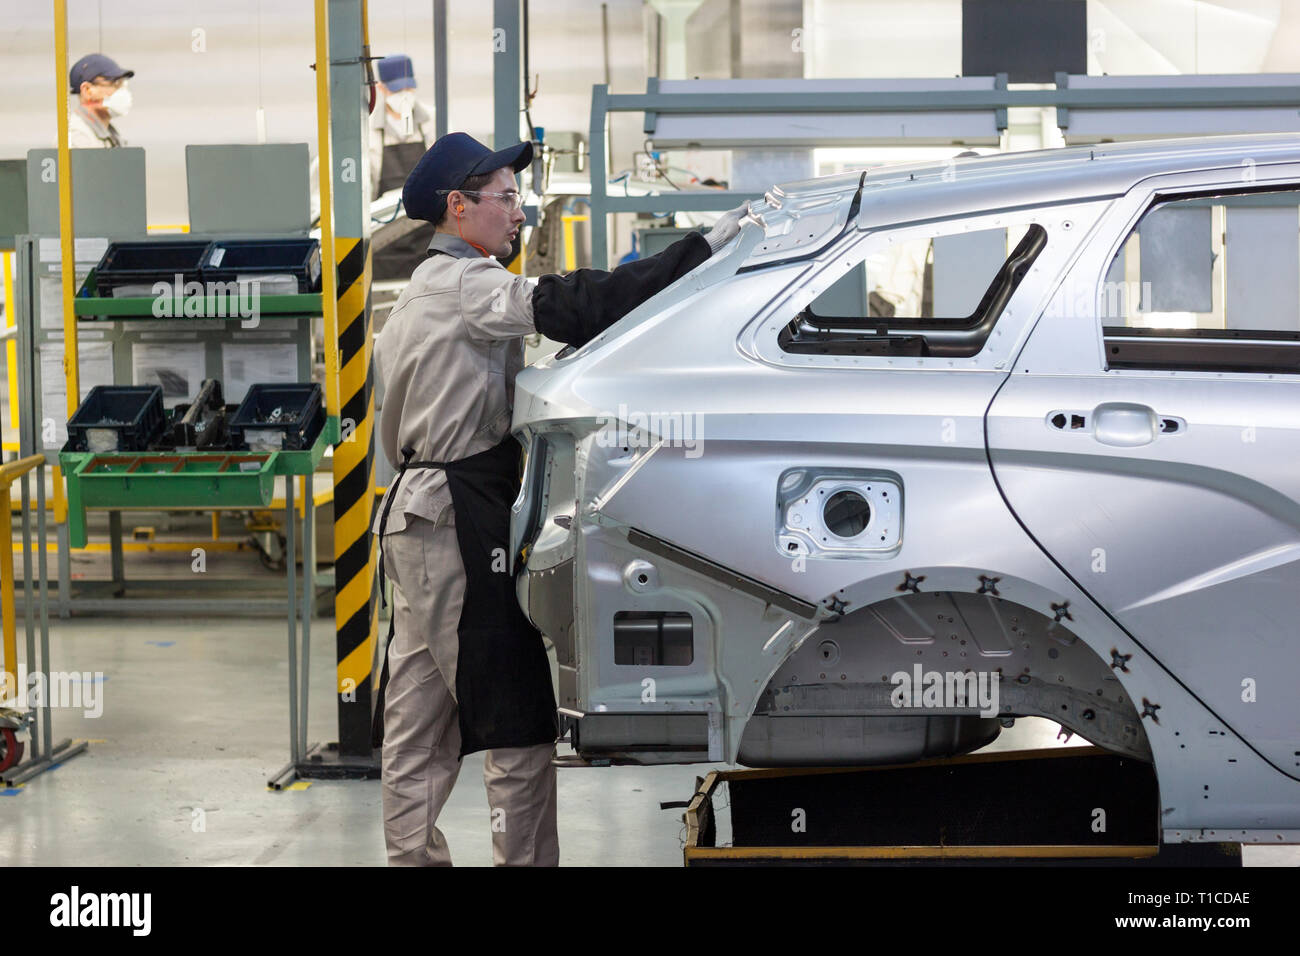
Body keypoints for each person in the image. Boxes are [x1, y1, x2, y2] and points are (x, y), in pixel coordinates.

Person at [372, 131, 747, 866]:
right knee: (514, 714)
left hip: (417, 515)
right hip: (458, 512)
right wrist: (698, 254)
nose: (520, 214)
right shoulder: (467, 285)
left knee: (419, 717)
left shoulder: (425, 288)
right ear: (459, 207)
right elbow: (577, 303)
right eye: (507, 199)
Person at [369, 54, 433, 198]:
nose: (404, 95)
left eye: (408, 88)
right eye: (397, 90)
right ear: (381, 88)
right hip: (385, 214)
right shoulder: (368, 129)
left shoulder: (432, 120)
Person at [67, 53, 134, 149]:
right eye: (115, 83)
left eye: (122, 84)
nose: (122, 90)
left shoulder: (108, 133)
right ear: (87, 90)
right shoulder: (77, 137)